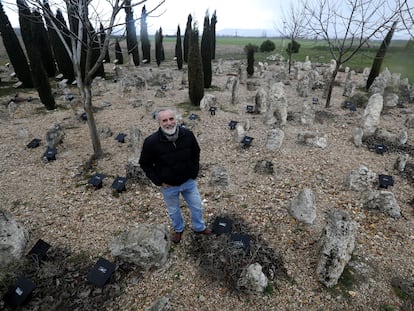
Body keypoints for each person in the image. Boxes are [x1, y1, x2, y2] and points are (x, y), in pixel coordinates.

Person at [139, 108, 211, 243]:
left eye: (171, 119)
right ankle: (179, 229)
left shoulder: (188, 134)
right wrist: (158, 181)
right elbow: (144, 163)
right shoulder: (151, 142)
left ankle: (199, 227)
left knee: (197, 206)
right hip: (169, 186)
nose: (169, 123)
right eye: (164, 120)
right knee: (174, 211)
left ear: (176, 119)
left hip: (188, 182)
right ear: (159, 122)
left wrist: (194, 171)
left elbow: (196, 152)